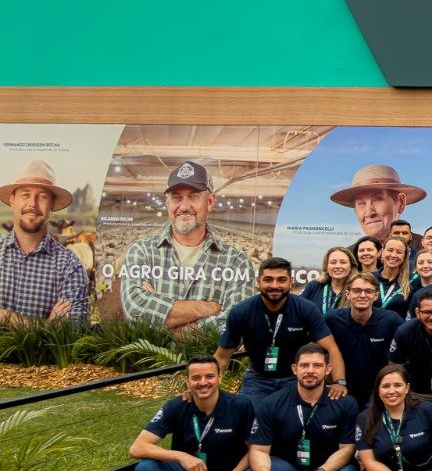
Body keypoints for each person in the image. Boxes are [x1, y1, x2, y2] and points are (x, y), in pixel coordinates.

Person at [236, 343, 360, 471]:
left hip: (330, 469)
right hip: (289, 467)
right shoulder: (272, 403)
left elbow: (347, 449)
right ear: (295, 369)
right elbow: (258, 449)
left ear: (328, 369)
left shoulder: (345, 403)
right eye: (304, 365)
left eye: (317, 365)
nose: (310, 370)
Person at [116, 160, 254, 332]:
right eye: (177, 197)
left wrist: (168, 323)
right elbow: (135, 311)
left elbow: (237, 323)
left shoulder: (236, 263)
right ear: (167, 202)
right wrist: (208, 308)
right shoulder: (141, 252)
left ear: (210, 201)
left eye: (194, 197)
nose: (184, 206)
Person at [216, 258, 347, 403]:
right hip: (257, 380)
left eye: (281, 280)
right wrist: (207, 387)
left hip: (295, 378)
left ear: (291, 282)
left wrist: (339, 382)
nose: (274, 285)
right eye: (268, 280)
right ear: (258, 282)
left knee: (297, 416)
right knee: (249, 415)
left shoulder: (306, 309)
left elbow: (331, 348)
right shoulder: (241, 311)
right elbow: (222, 357)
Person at [0, 159, 90, 323]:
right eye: (25, 195)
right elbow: (56, 330)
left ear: (52, 205)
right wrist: (45, 326)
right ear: (12, 200)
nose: (32, 204)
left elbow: (75, 326)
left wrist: (4, 317)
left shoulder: (70, 266)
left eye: (42, 197)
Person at [325, 271, 402, 407]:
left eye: (368, 291)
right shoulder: (332, 319)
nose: (362, 295)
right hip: (343, 390)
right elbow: (319, 353)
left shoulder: (391, 320)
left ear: (376, 295)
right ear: (347, 294)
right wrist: (336, 381)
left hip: (379, 394)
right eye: (357, 291)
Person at [329, 164, 428, 242]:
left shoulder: (427, 251)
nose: (369, 213)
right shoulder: (350, 257)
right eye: (361, 203)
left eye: (378, 200)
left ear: (401, 203)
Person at [299, 245, 355, 315]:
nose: (337, 266)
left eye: (343, 262)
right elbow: (297, 309)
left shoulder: (357, 289)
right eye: (333, 262)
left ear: (351, 266)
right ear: (326, 267)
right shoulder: (314, 286)